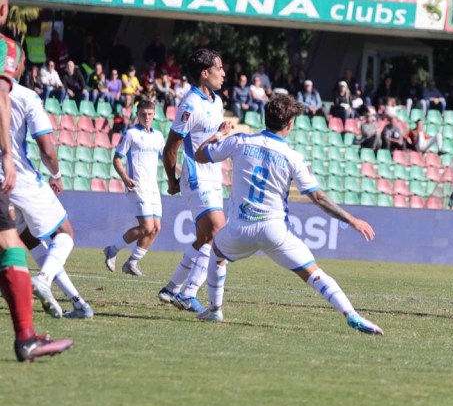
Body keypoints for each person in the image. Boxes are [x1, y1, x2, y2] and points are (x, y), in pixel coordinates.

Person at [192, 97, 382, 334]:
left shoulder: (239, 141)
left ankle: (215, 309)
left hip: (240, 227)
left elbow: (200, 154)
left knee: (217, 253)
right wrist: (352, 220)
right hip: (275, 229)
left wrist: (219, 135)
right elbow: (318, 198)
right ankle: (351, 314)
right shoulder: (293, 157)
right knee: (313, 273)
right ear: (290, 124)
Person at [0, 0, 72, 361]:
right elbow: (45, 146)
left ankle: (27, 335)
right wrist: (9, 155)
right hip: (10, 171)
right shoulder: (7, 52)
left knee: (11, 241)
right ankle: (28, 330)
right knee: (57, 234)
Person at [7, 79, 94, 319]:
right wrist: (56, 175)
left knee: (31, 240)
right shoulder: (25, 96)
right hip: (20, 179)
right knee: (65, 233)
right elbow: (46, 148)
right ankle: (43, 281)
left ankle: (78, 303)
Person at [159, 48, 228, 313]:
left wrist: (222, 134)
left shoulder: (217, 101)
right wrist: (172, 179)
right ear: (204, 73)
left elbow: (209, 140)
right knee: (219, 236)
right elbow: (170, 148)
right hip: (196, 178)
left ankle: (172, 288)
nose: (223, 73)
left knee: (205, 240)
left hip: (214, 176)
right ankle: (189, 294)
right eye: (218, 68)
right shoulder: (190, 105)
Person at [104, 100, 166, 276]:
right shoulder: (131, 134)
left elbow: (166, 160)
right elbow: (117, 158)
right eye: (143, 114)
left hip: (153, 188)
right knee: (146, 226)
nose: (147, 117)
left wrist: (179, 173)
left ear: (154, 115)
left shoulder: (158, 137)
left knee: (156, 228)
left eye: (150, 114)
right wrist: (124, 177)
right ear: (137, 115)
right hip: (137, 186)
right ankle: (112, 249)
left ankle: (132, 262)